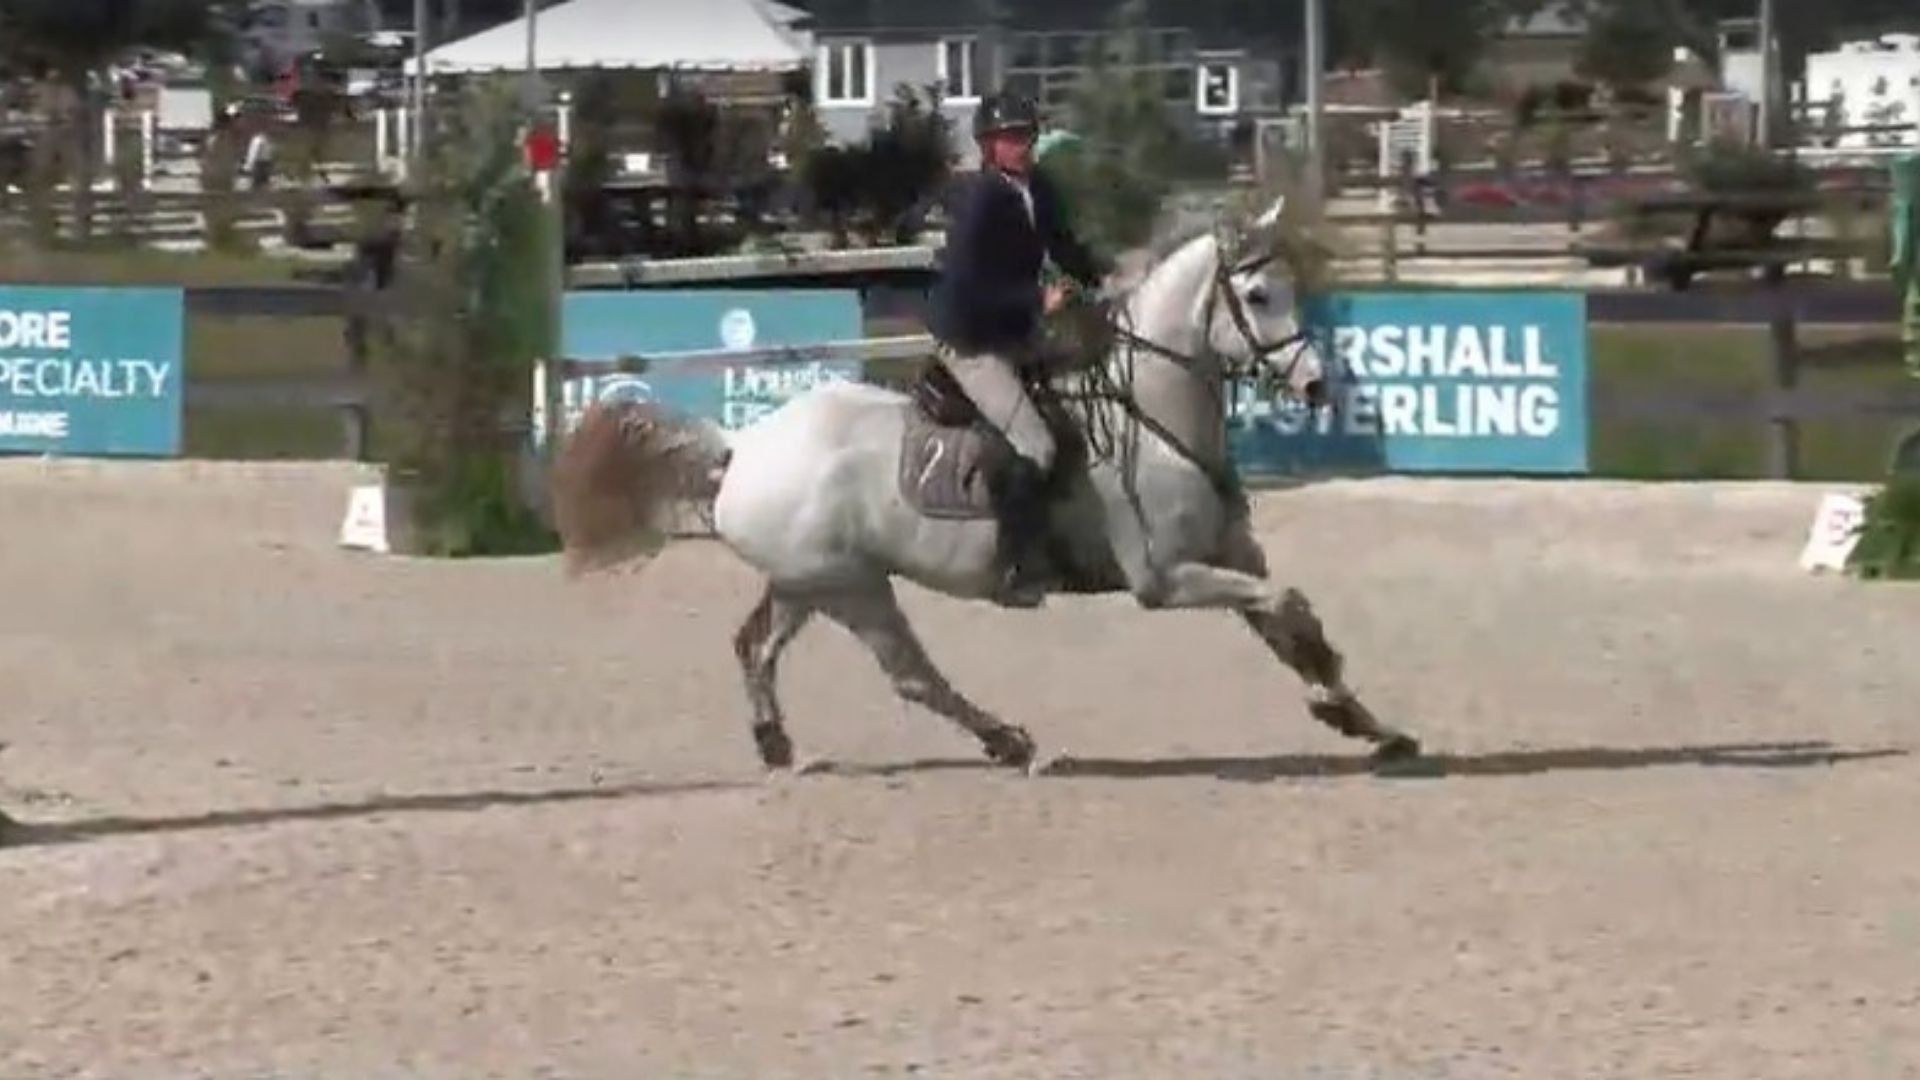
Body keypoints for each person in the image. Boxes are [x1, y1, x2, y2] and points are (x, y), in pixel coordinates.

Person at [926, 90, 1111, 606]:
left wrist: (1108, 276)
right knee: (1038, 446)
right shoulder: (981, 199)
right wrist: (1036, 297)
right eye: (1010, 138)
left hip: (1017, 330)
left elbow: (1065, 245)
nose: (1022, 145)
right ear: (989, 146)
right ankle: (1013, 564)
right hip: (972, 338)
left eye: (1027, 135)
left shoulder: (1040, 187)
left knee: (1085, 405)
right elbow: (965, 286)